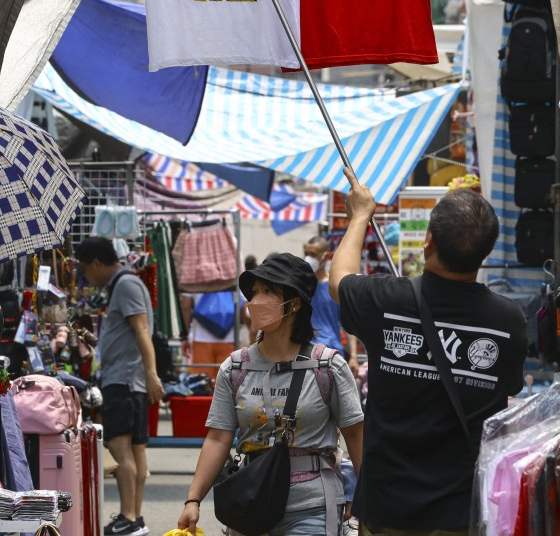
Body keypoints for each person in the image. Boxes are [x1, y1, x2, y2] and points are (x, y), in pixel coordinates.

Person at [329, 170, 527, 536]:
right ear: (486, 251)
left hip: (388, 506)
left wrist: (359, 215)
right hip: (462, 512)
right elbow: (510, 389)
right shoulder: (509, 321)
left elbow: (339, 279)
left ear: (428, 239)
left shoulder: (386, 301)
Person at [177, 253, 364, 536]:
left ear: (295, 303)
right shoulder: (235, 367)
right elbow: (218, 437)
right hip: (250, 504)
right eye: (254, 293)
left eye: (268, 291)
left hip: (312, 506)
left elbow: (355, 434)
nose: (256, 301)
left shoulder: (327, 366)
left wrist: (364, 494)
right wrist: (193, 498)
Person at [76, 237, 165, 536]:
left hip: (123, 380)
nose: (86, 276)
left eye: (86, 269)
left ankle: (128, 516)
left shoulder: (125, 284)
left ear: (97, 263)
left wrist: (152, 374)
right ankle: (135, 519)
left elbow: (142, 331)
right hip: (129, 379)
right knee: (136, 450)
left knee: (120, 447)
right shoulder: (124, 285)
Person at [304, 236, 360, 377]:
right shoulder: (301, 287)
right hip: (305, 356)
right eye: (306, 253)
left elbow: (349, 324)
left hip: (331, 355)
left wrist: (353, 356)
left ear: (326, 256)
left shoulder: (334, 287)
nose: (308, 258)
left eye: (313, 255)